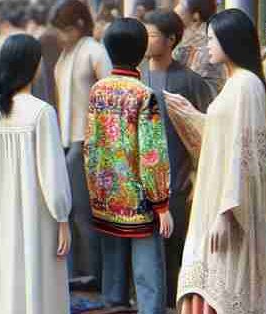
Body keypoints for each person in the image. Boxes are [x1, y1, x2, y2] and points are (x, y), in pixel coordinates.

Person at [163, 9, 266, 313]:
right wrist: (189, 114)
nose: (207, 46)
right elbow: (225, 138)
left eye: (213, 39)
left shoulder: (244, 85)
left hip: (225, 202)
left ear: (231, 41)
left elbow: (244, 154)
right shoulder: (236, 83)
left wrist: (227, 212)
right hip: (215, 196)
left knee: (222, 275)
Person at [0, 34, 72, 314]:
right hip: (39, 221)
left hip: (0, 218)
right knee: (39, 287)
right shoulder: (42, 113)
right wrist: (62, 218)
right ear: (33, 65)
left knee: (4, 287)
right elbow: (52, 175)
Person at [84, 18, 173, 314]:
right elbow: (152, 155)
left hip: (106, 196)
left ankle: (114, 306)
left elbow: (91, 146)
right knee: (148, 273)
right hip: (139, 200)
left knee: (113, 274)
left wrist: (96, 190)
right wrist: (161, 203)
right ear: (142, 50)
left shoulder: (97, 90)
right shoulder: (144, 94)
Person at [140, 9, 216, 307]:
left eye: (152, 35)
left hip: (178, 182)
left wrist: (198, 178)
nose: (146, 40)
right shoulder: (137, 76)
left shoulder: (190, 81)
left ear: (171, 40)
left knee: (176, 252)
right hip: (143, 182)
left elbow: (206, 132)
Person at [50, 0, 111, 284]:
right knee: (68, 211)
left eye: (64, 29)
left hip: (85, 141)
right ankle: (75, 273)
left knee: (82, 212)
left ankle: (92, 273)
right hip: (65, 139)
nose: (60, 36)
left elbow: (111, 93)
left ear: (78, 25)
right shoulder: (66, 54)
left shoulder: (94, 51)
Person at [173, 0, 226, 91]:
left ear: (195, 17)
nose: (177, 8)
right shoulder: (187, 41)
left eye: (182, 4)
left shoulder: (206, 48)